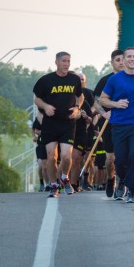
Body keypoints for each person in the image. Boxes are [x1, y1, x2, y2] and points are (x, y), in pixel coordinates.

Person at [99, 46, 134, 203]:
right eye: (128, 57)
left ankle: (132, 190)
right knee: (121, 159)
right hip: (118, 124)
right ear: (123, 60)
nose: (132, 59)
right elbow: (102, 99)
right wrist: (116, 104)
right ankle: (122, 181)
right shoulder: (114, 79)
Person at [33, 51, 84, 197]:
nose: (67, 64)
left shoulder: (74, 79)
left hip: (68, 123)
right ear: (56, 62)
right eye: (64, 61)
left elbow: (80, 96)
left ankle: (64, 178)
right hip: (50, 123)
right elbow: (37, 99)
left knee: (67, 157)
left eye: (68, 61)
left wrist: (77, 108)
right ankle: (54, 185)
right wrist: (46, 107)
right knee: (52, 157)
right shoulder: (46, 80)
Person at [93, 49, 125, 197]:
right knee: (110, 158)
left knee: (123, 155)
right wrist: (103, 113)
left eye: (122, 59)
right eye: (117, 60)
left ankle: (121, 181)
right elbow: (96, 101)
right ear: (112, 62)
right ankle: (111, 178)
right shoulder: (105, 80)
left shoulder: (130, 78)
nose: (120, 62)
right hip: (109, 122)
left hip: (125, 122)